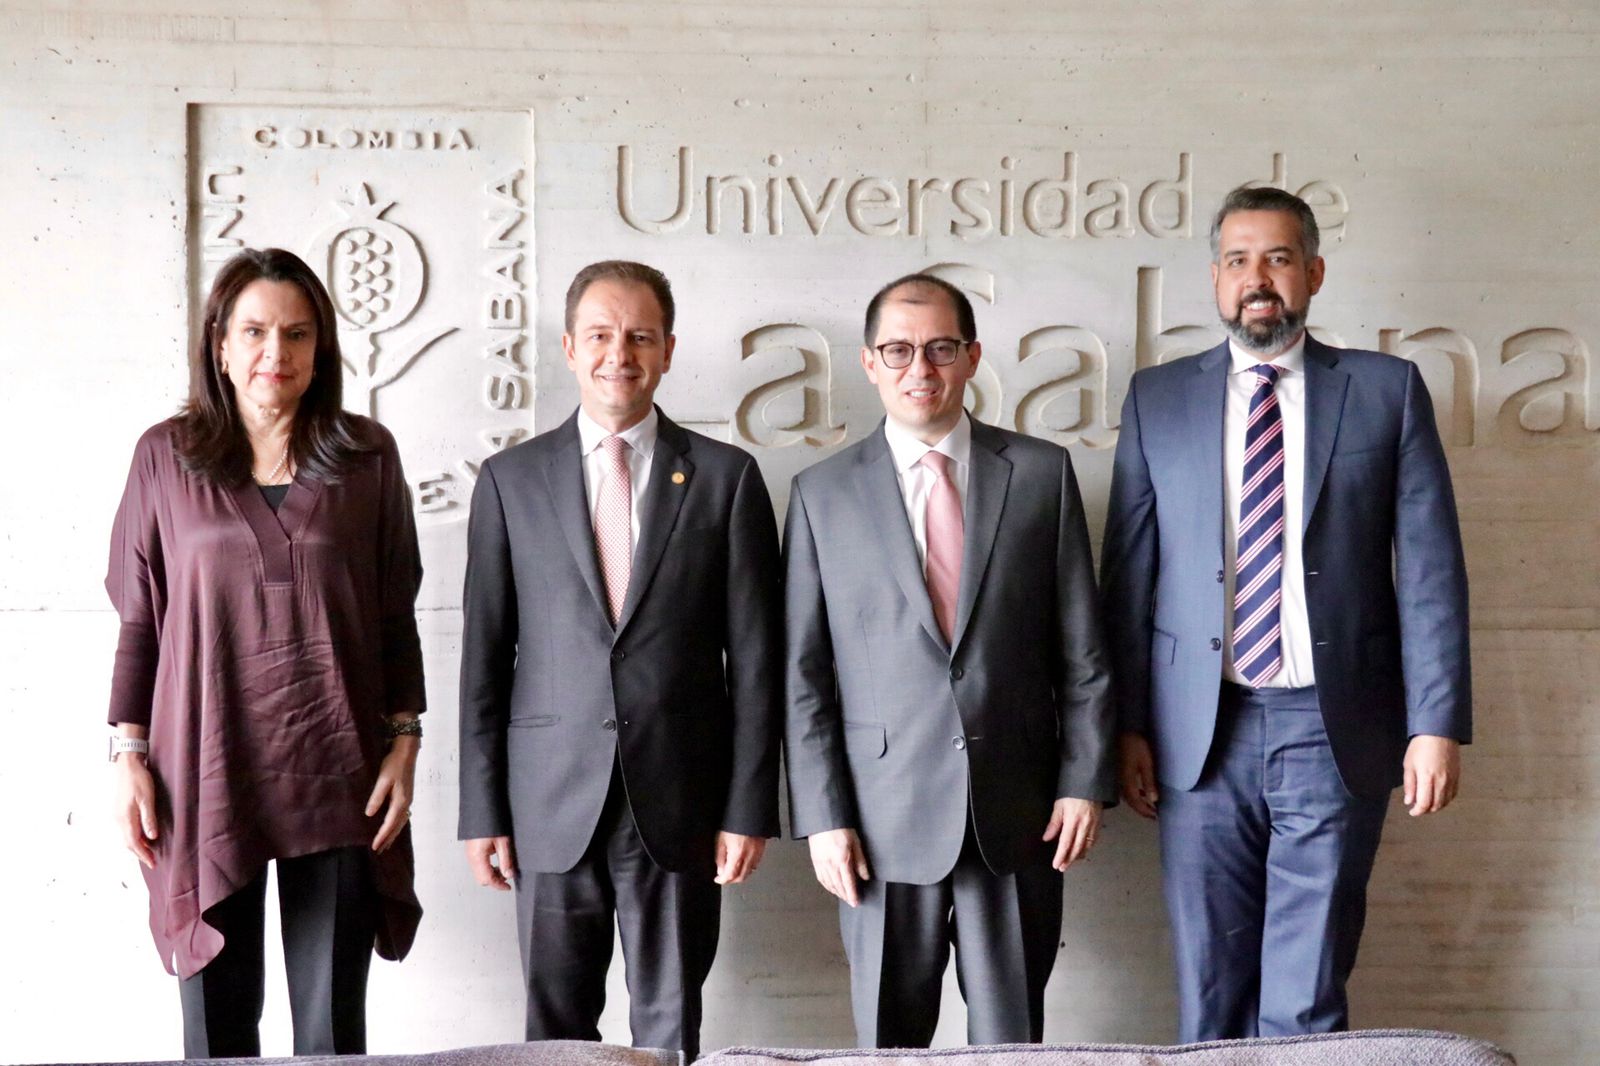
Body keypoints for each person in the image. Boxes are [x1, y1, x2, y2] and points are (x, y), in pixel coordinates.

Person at [1099, 185, 1471, 1042]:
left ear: (1313, 272)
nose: (1255, 278)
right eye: (1237, 261)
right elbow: (1129, 576)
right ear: (1216, 281)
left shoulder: (1386, 391)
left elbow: (1429, 571)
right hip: (1199, 732)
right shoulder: (1159, 399)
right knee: (1209, 986)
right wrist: (1126, 726)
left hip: (1332, 725)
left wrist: (1436, 724)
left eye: (1275, 258)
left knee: (1306, 996)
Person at [105, 247, 425, 1058]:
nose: (273, 355)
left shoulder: (366, 457)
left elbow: (394, 612)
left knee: (329, 1029)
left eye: (295, 334)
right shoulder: (165, 459)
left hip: (340, 769)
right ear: (219, 342)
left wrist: (405, 743)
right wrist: (127, 754)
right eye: (253, 332)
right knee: (217, 1028)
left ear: (321, 349)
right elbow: (140, 620)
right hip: (205, 769)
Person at [457, 260, 782, 1060]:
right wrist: (482, 811)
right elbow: (483, 659)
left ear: (668, 349)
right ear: (570, 347)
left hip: (679, 800)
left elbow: (758, 662)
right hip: (547, 802)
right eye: (601, 335)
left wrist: (748, 806)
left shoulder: (727, 478)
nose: (619, 354)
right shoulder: (510, 480)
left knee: (670, 1027)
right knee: (555, 1034)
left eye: (640, 336)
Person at [783, 273, 1115, 1048]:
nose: (919, 369)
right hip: (878, 819)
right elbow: (802, 677)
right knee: (888, 1045)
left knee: (1012, 1043)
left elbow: (1085, 654)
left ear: (970, 356)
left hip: (1021, 811)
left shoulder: (1040, 475)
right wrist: (823, 816)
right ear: (869, 362)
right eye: (898, 350)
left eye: (938, 349)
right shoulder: (821, 495)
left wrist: (1083, 782)